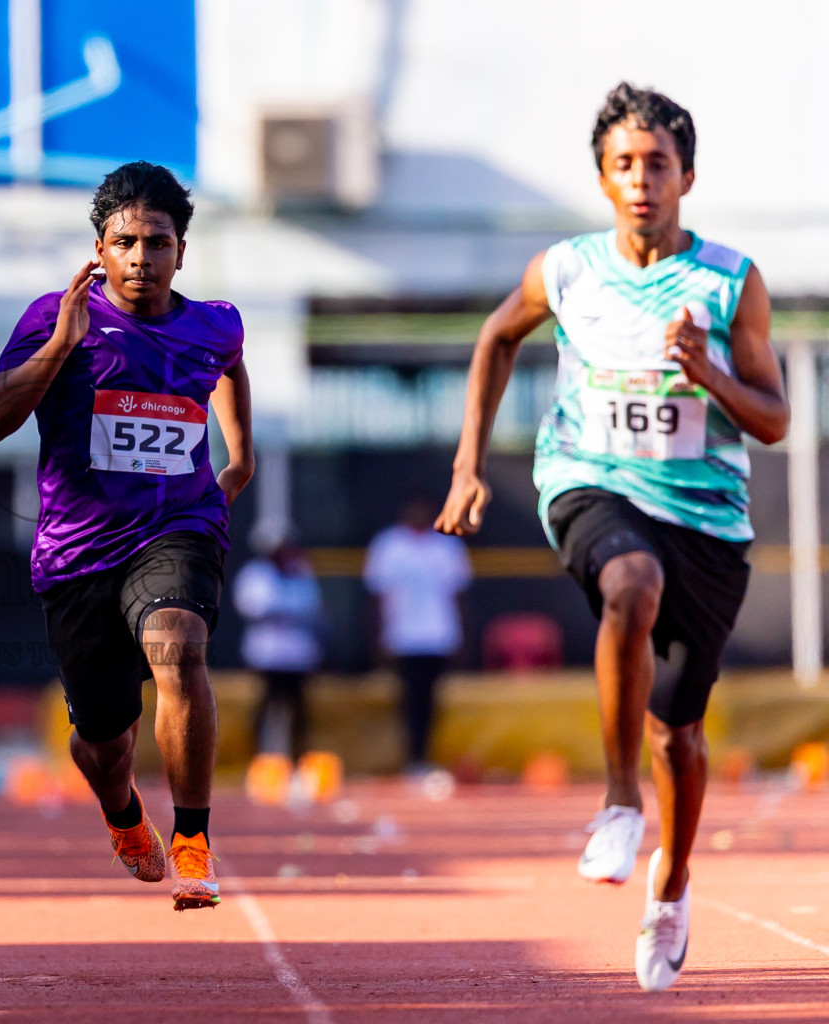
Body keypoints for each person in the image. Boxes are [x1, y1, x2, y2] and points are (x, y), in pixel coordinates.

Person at [436, 84, 788, 992]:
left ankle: (670, 886)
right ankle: (619, 804)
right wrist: (470, 464)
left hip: (707, 514)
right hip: (590, 480)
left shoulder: (729, 280)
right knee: (629, 585)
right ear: (602, 179)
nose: (642, 180)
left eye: (658, 164)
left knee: (681, 732)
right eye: (624, 165)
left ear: (688, 176)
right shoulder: (567, 270)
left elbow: (775, 419)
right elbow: (496, 338)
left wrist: (705, 371)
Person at [0, 162, 253, 910]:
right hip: (77, 553)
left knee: (179, 644)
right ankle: (124, 814)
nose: (141, 258)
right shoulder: (54, 316)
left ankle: (193, 838)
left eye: (157, 242)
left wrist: (242, 453)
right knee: (103, 742)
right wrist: (59, 347)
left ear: (181, 252)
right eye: (124, 242)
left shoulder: (214, 322)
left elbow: (229, 363)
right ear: (99, 250)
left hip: (178, 524)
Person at [364, 495, 471, 771]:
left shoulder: (447, 545)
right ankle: (414, 756)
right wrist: (378, 635)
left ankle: (424, 756)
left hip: (437, 634)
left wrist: (459, 634)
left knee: (432, 699)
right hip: (403, 636)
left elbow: (457, 594)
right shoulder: (388, 545)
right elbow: (378, 595)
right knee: (411, 699)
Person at [233, 535, 322, 758]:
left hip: (297, 656)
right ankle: (259, 758)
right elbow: (255, 607)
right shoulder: (256, 574)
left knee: (298, 711)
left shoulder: (301, 571)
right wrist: (286, 611)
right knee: (265, 708)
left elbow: (310, 606)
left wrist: (281, 611)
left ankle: (297, 759)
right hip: (267, 655)